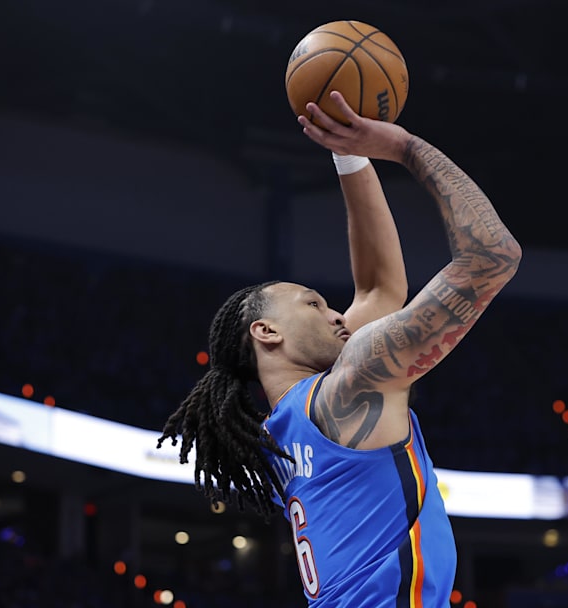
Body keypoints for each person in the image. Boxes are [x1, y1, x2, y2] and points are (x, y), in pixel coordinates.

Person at [158, 91, 522, 607]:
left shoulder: (284, 428)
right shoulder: (349, 386)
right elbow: (493, 256)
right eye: (313, 303)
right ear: (267, 332)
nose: (336, 314)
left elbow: (377, 291)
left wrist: (348, 151)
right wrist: (404, 146)